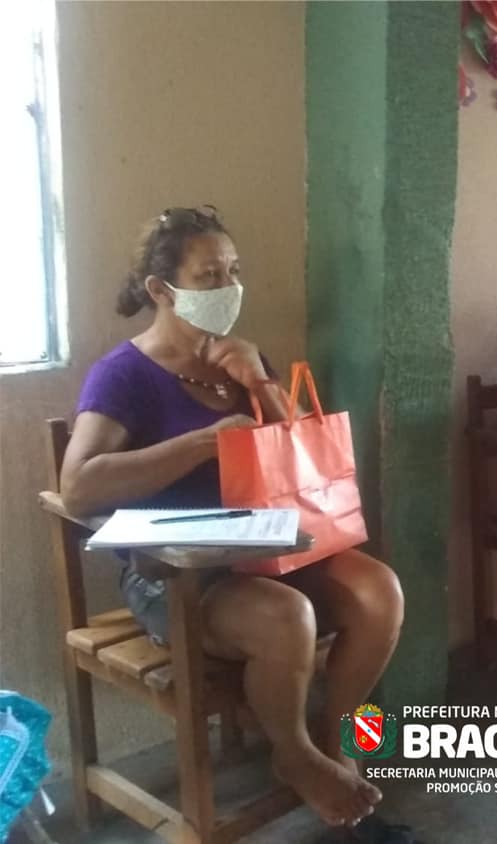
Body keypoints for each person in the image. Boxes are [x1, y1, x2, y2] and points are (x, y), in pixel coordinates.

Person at [59, 207, 402, 828]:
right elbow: (79, 487)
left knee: (380, 589)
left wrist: (260, 383)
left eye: (234, 272)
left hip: (270, 550)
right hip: (176, 577)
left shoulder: (244, 359)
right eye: (210, 275)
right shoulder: (124, 375)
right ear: (162, 291)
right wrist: (200, 442)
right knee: (285, 616)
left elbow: (296, 457)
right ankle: (293, 755)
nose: (228, 288)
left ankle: (334, 733)